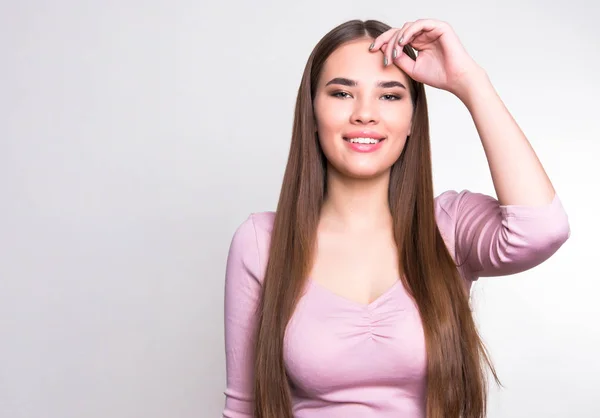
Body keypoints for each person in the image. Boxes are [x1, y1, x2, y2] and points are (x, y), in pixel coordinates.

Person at [222, 18, 570, 418]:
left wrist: (470, 82)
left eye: (389, 96)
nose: (365, 114)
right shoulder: (260, 242)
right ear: (312, 111)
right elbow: (244, 409)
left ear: (412, 120)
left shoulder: (450, 228)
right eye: (341, 93)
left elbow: (543, 229)